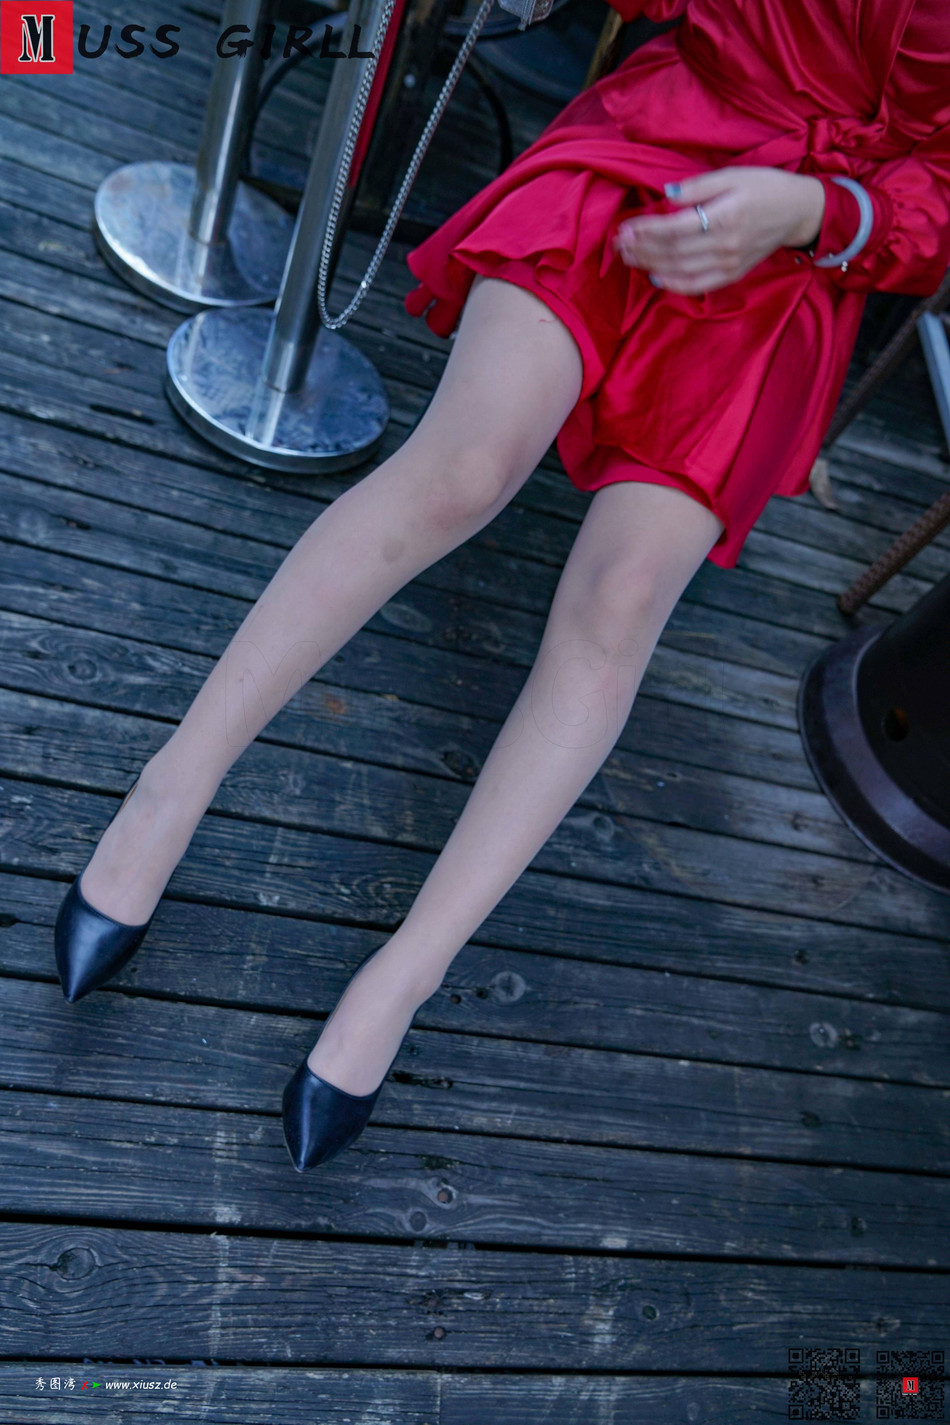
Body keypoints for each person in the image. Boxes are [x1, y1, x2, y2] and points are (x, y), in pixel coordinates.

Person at [55, 0, 950, 1171]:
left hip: (797, 264)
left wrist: (818, 212)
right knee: (461, 471)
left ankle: (404, 977)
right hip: (661, 139)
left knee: (619, 604)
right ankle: (166, 792)